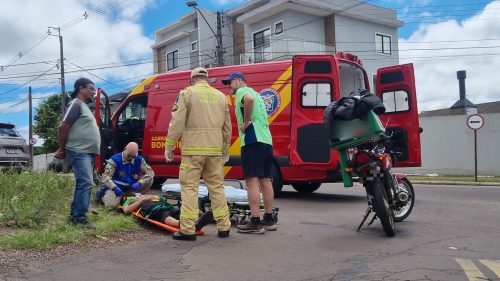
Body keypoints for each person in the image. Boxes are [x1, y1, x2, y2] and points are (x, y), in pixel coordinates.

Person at [164, 67, 232, 241]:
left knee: (189, 187)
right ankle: (224, 226)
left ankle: (187, 229)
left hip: (193, 150)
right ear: (206, 79)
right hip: (215, 150)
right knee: (217, 188)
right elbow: (227, 128)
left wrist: (169, 147)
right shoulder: (221, 97)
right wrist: (225, 151)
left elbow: (176, 122)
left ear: (191, 79)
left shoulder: (187, 94)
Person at [222, 72, 276, 234]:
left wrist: (245, 123)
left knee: (251, 181)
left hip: (252, 141)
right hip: (266, 140)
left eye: (230, 83)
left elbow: (248, 101)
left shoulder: (242, 92)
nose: (228, 87)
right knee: (265, 180)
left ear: (239, 81)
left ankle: (254, 222)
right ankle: (268, 218)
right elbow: (252, 100)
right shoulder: (257, 94)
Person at [54, 77, 100, 229]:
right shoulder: (75, 104)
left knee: (84, 183)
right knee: (86, 183)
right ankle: (79, 218)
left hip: (86, 152)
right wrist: (61, 149)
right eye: (91, 88)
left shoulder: (86, 107)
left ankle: (75, 215)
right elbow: (63, 126)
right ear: (81, 88)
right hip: (79, 151)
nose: (94, 92)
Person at [95, 142, 154, 207]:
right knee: (111, 205)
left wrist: (139, 183)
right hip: (116, 188)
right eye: (129, 156)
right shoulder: (114, 160)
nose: (130, 158)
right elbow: (105, 177)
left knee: (150, 179)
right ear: (125, 149)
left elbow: (150, 173)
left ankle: (133, 195)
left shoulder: (139, 160)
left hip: (131, 188)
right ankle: (104, 195)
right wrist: (114, 188)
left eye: (133, 157)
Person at [120, 194, 214, 231]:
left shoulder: (146, 195)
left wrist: (153, 196)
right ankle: (182, 224)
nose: (138, 194)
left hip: (165, 205)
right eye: (137, 194)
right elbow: (126, 210)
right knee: (163, 214)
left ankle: (197, 222)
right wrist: (142, 200)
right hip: (152, 208)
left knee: (177, 211)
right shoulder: (129, 199)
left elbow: (163, 198)